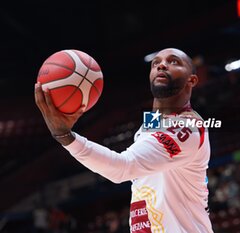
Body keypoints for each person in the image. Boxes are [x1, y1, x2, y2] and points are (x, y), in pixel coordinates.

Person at [34, 48, 213, 233]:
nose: (161, 64)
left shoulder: (187, 127)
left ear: (191, 80)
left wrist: (65, 136)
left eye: (173, 61)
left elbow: (122, 167)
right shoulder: (150, 125)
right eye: (155, 63)